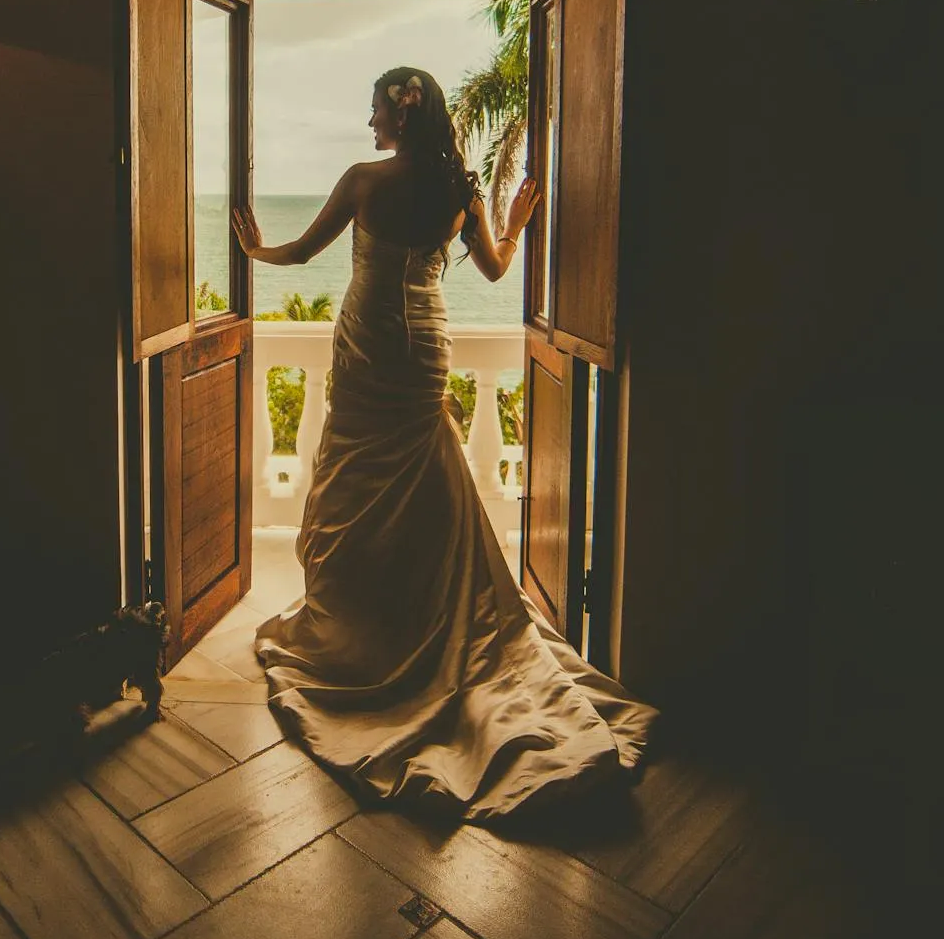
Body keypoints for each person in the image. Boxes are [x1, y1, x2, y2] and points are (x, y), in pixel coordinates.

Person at [232, 67, 655, 821]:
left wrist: (255, 251)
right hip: (425, 345)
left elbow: (300, 256)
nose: (369, 126)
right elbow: (493, 271)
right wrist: (518, 219)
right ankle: (423, 623)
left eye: (373, 111)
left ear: (398, 113)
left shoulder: (364, 180)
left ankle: (372, 633)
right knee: (421, 486)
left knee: (355, 485)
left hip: (368, 347)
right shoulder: (458, 185)